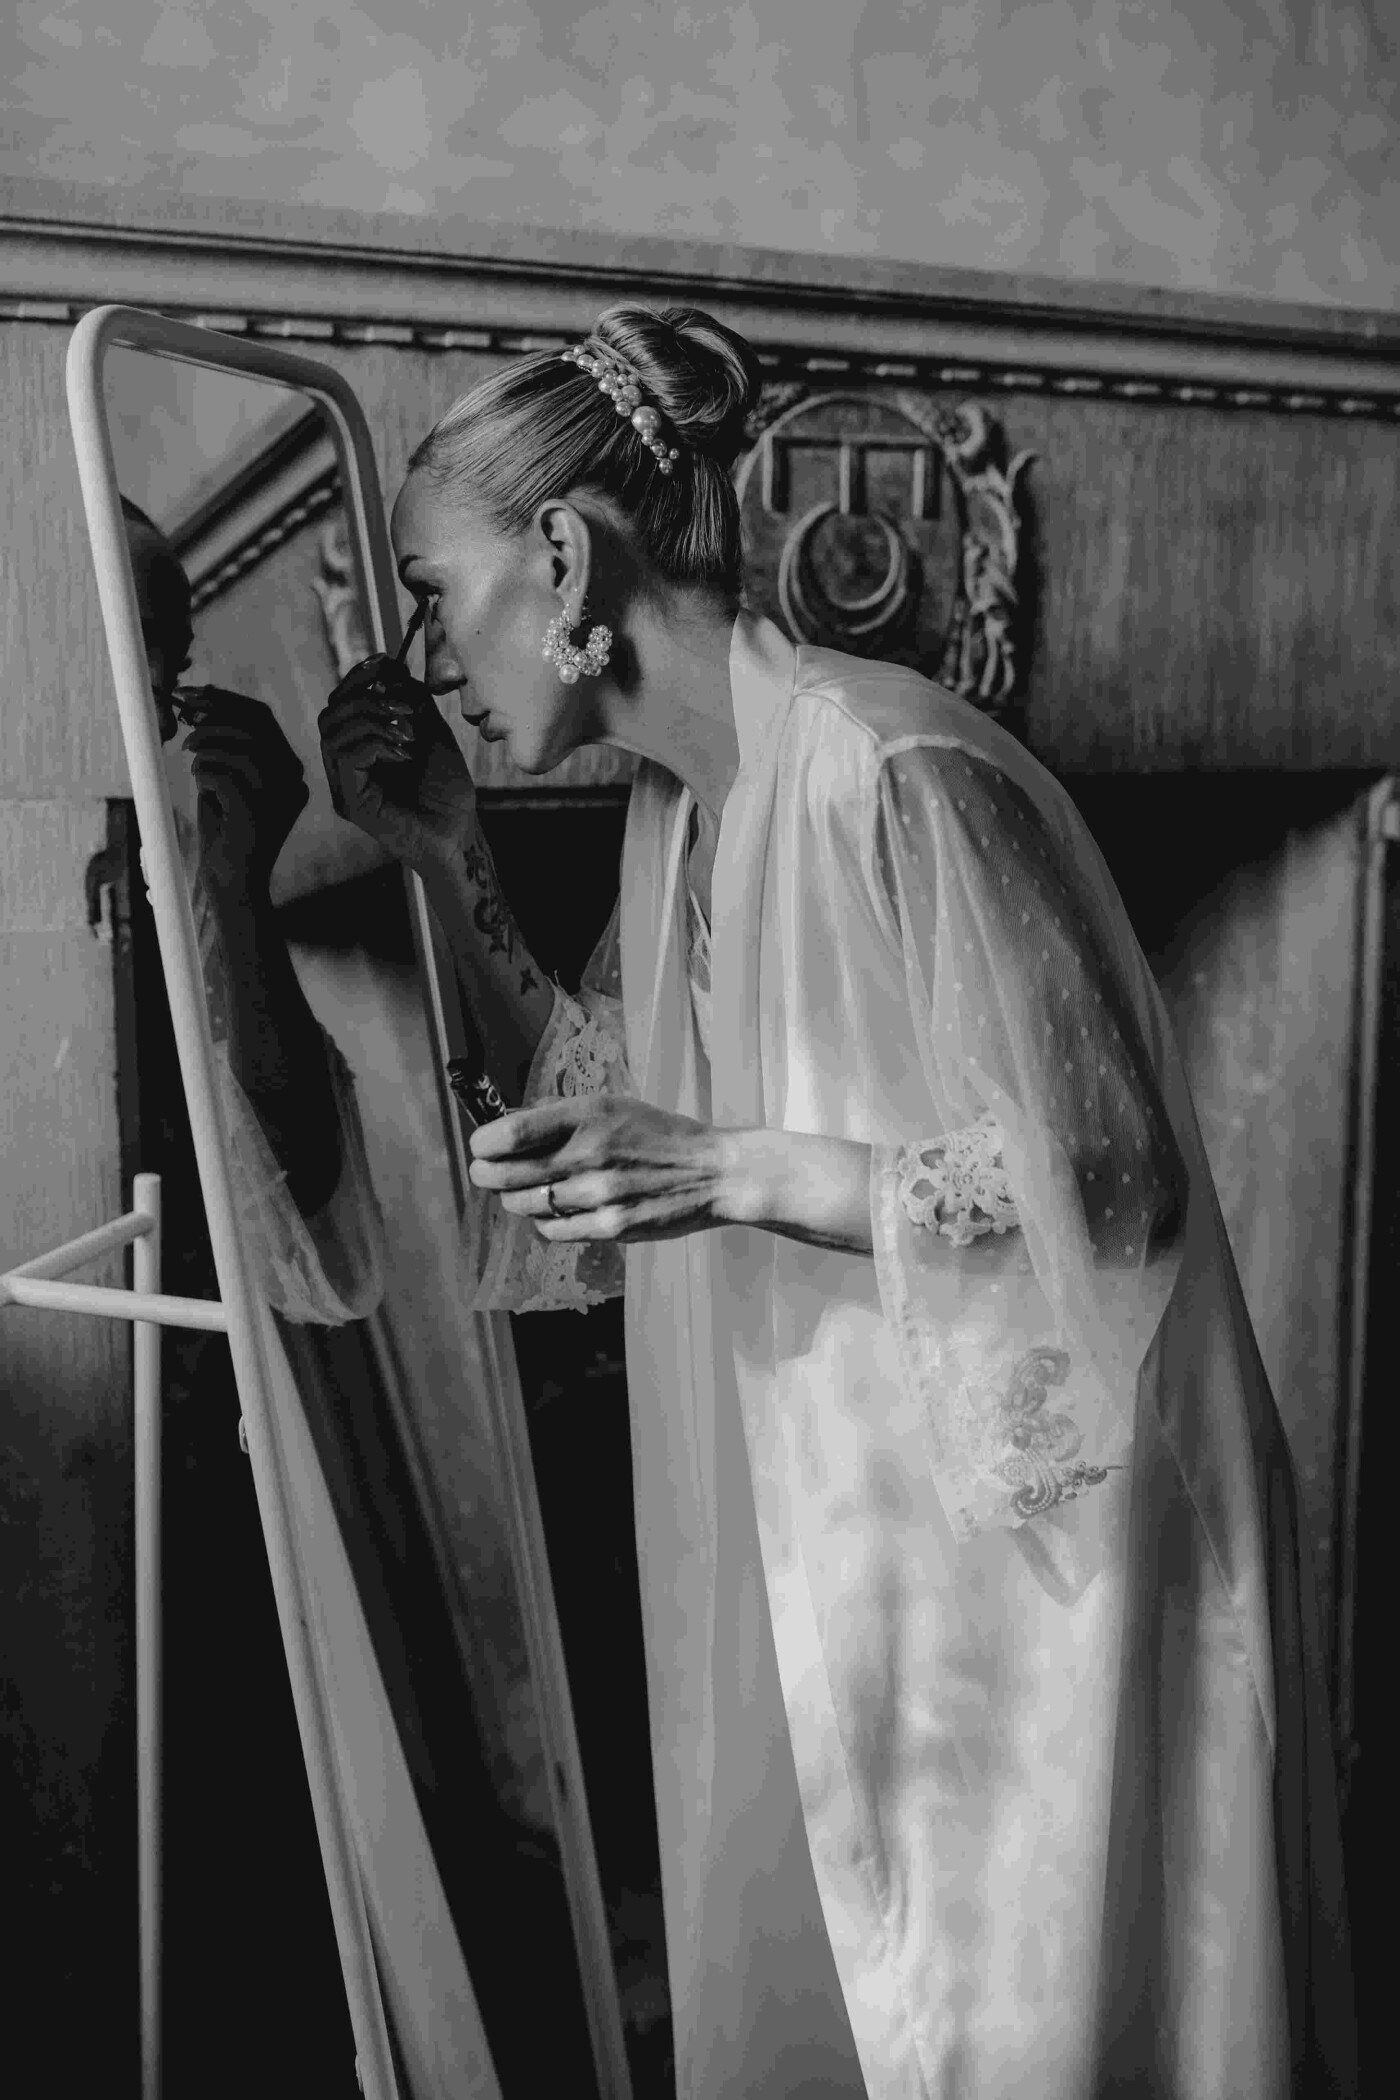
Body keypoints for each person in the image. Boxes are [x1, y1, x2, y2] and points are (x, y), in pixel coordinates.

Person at [318, 310, 1357, 2099]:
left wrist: (739, 1167)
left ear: (562, 554)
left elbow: (1115, 1176)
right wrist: (447, 849)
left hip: (1063, 1597)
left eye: (433, 594)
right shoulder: (680, 819)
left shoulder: (894, 769)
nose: (428, 658)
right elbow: (608, 1099)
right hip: (855, 1555)